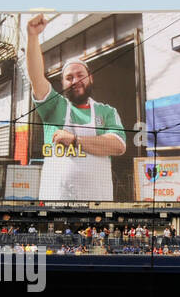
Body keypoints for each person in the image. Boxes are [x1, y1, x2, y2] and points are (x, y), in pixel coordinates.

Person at [25, 17, 128, 201]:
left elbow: (117, 145)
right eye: (69, 77)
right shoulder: (54, 106)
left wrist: (73, 140)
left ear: (90, 78)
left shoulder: (107, 112)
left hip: (97, 204)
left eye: (80, 75)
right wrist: (32, 36)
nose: (75, 80)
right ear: (62, 83)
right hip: (55, 202)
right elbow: (36, 77)